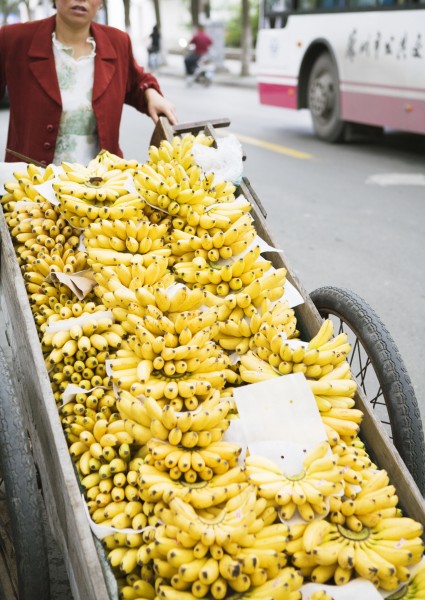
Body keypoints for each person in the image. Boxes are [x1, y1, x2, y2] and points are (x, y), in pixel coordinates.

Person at [0, 0, 177, 166]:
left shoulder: (117, 42)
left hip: (101, 186)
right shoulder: (14, 39)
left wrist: (151, 93)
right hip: (28, 185)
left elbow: (136, 80)